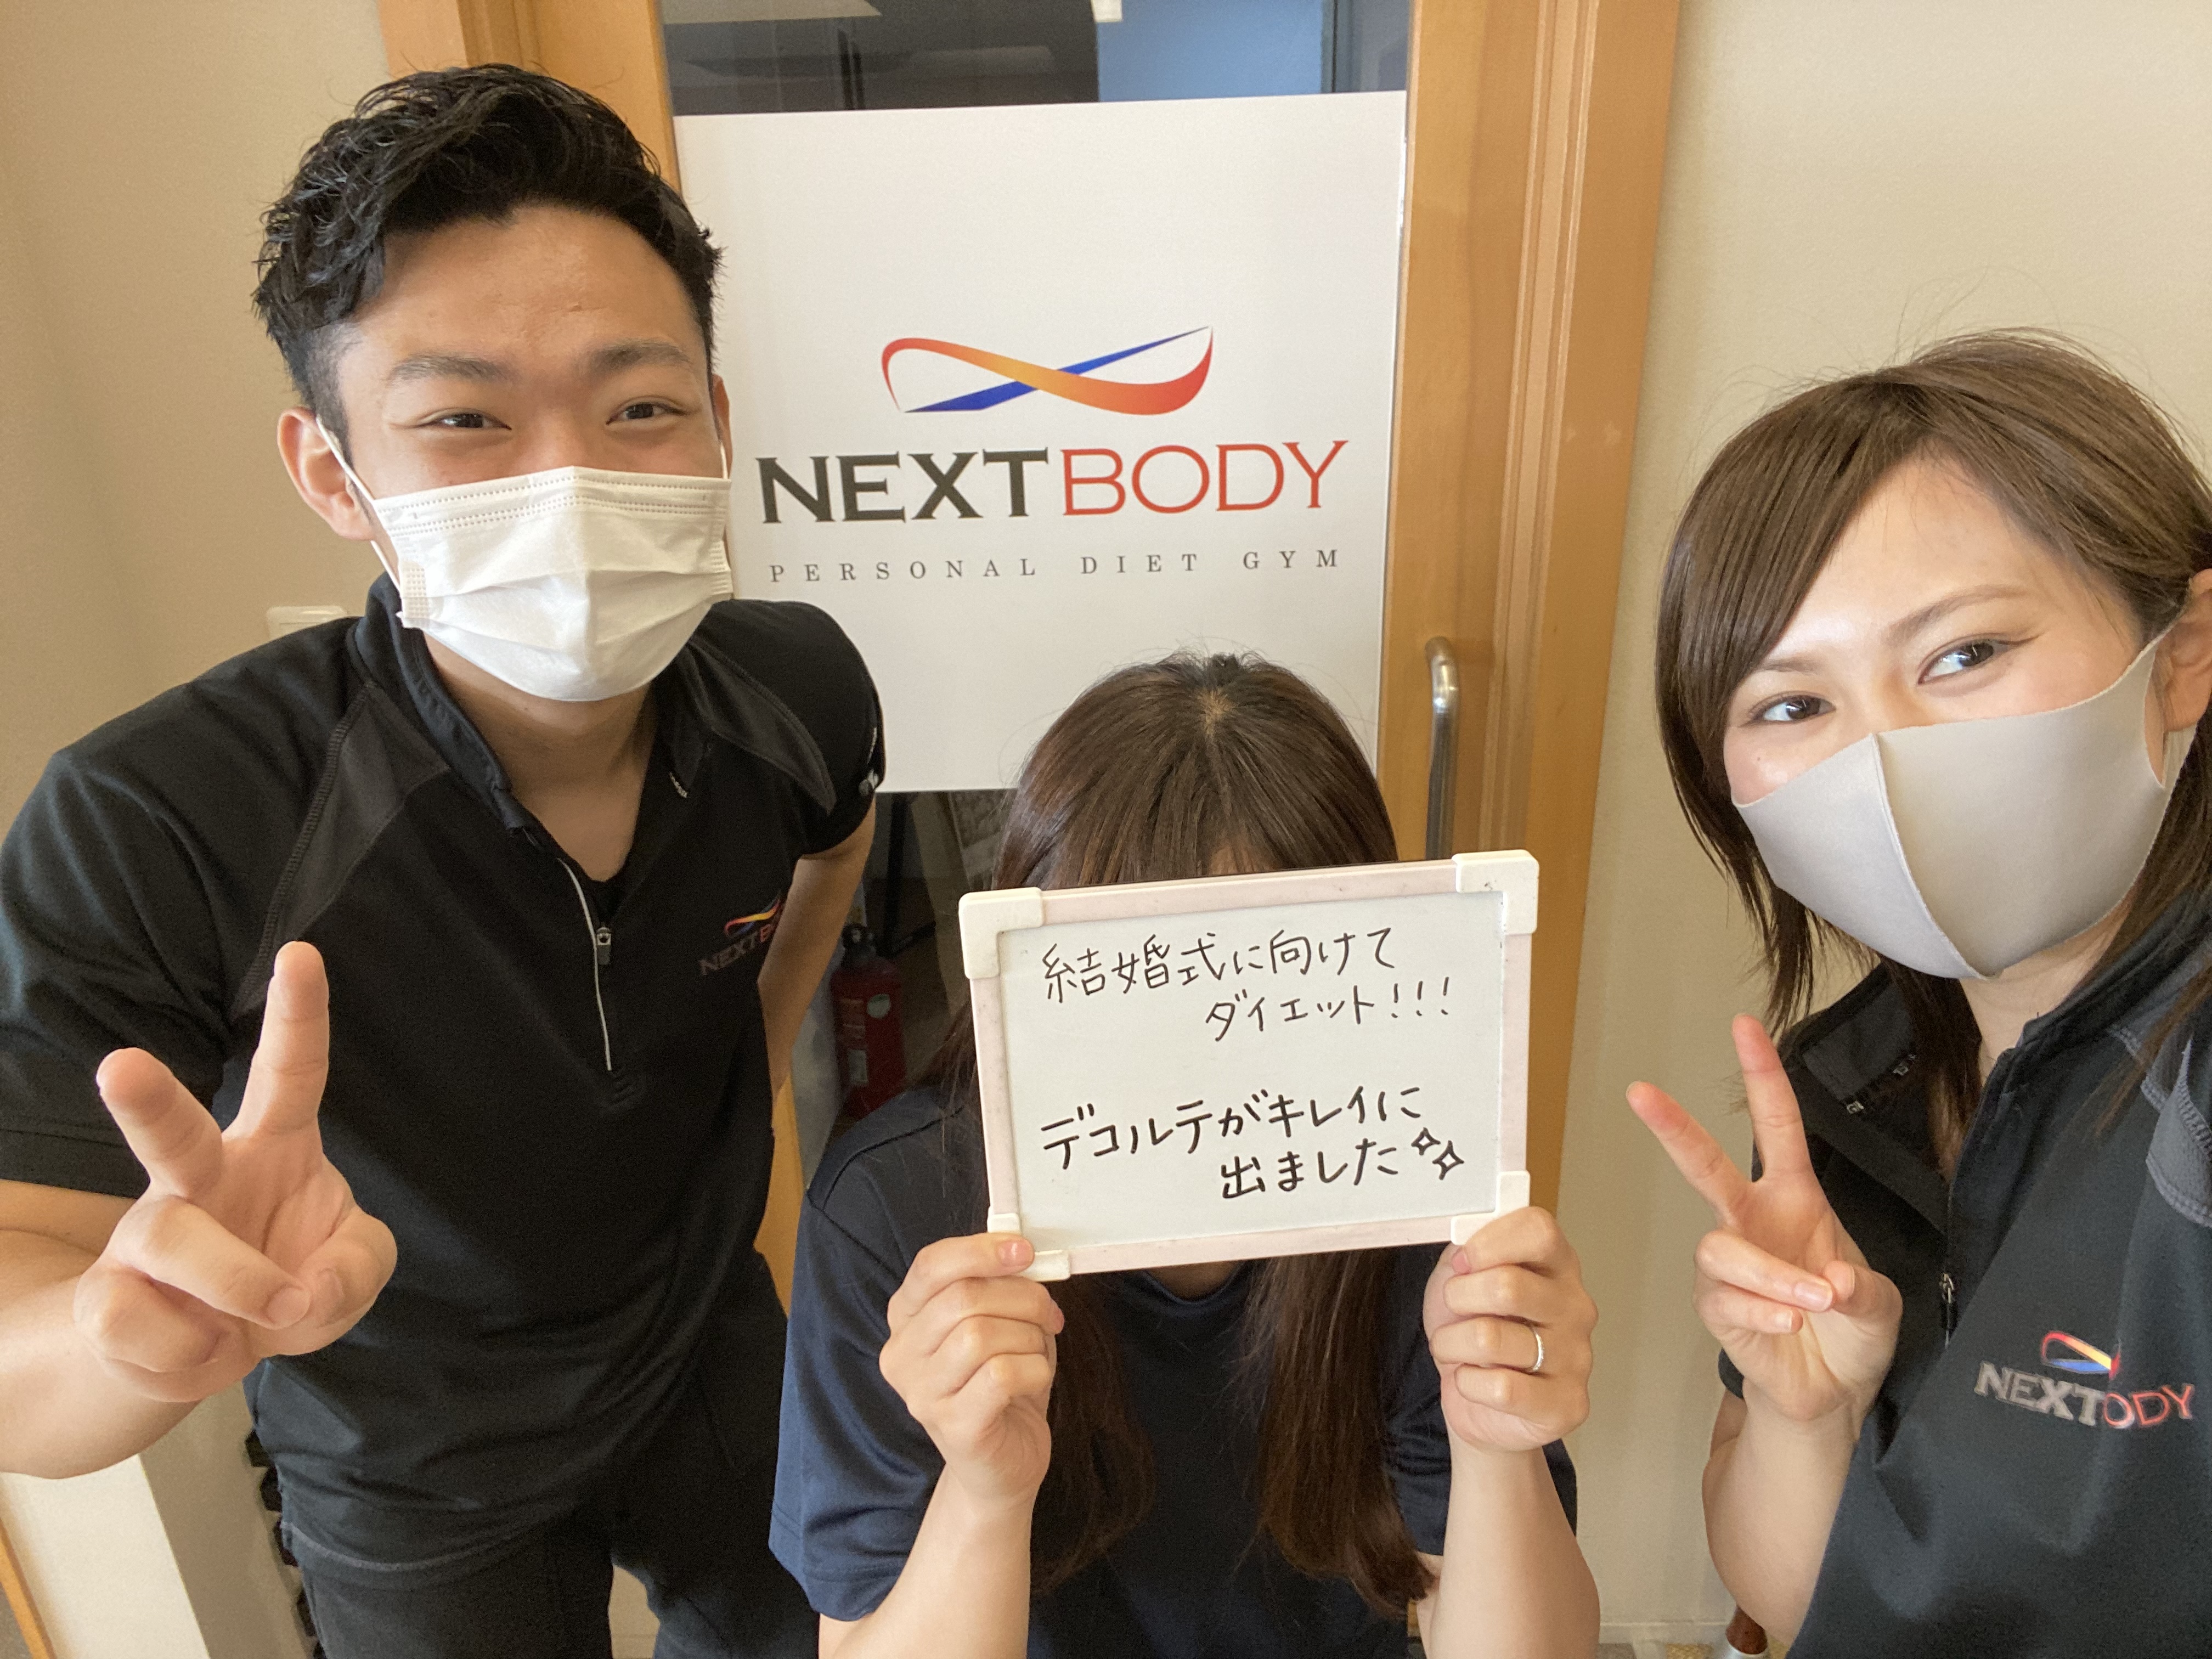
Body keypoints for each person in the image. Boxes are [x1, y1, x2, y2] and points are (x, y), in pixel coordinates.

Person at [0, 67, 880, 1657]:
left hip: (709, 1352)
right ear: (332, 473)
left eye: (639, 406)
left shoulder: (797, 691)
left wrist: (734, 1090)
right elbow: (23, 1300)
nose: (569, 475)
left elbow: (828, 859)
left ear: (715, 421)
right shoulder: (160, 816)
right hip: (410, 1458)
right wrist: (129, 1343)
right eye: (465, 419)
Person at [771, 655, 1600, 1659]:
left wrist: (1495, 1443)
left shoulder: (1426, 1192)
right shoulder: (897, 1214)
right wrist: (984, 1494)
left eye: (1278, 986)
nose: (1210, 1061)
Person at [1627, 332, 2212, 1656]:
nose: (1881, 755)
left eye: (1963, 654)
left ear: (2183, 652)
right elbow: (1806, 1607)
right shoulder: (1849, 1090)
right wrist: (1806, 1416)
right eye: (1792, 706)